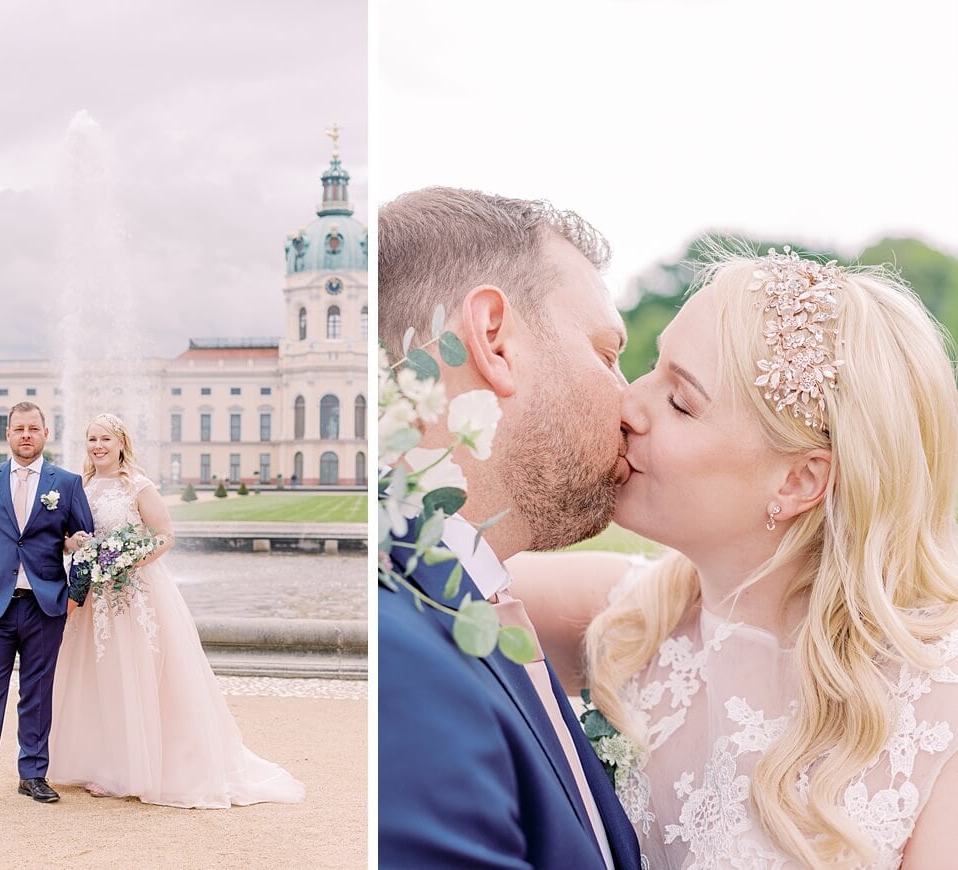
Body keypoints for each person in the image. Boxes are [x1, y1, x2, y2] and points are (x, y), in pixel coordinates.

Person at [509, 245, 958, 867]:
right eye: (650, 368)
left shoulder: (938, 708)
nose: (630, 405)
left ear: (798, 481)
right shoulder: (635, 618)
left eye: (680, 402)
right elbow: (424, 572)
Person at [378, 187, 641, 868]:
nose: (632, 403)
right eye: (607, 353)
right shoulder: (404, 664)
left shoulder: (466, 594)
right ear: (494, 339)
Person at [48, 413, 305, 808]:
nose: (97, 446)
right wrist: (77, 544)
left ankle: (139, 767)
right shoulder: (78, 486)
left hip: (134, 595)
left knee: (138, 673)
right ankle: (105, 761)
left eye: (104, 439)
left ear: (121, 443)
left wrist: (126, 561)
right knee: (100, 676)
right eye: (91, 439)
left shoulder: (138, 485)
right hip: (94, 598)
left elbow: (165, 535)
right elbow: (69, 539)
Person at [0, 401, 94, 810]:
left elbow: (87, 543)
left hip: (44, 606)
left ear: (46, 433)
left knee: (37, 693)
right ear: (8, 434)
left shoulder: (65, 483)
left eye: (33, 428)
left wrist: (74, 595)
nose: (26, 435)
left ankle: (32, 775)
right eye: (18, 429)